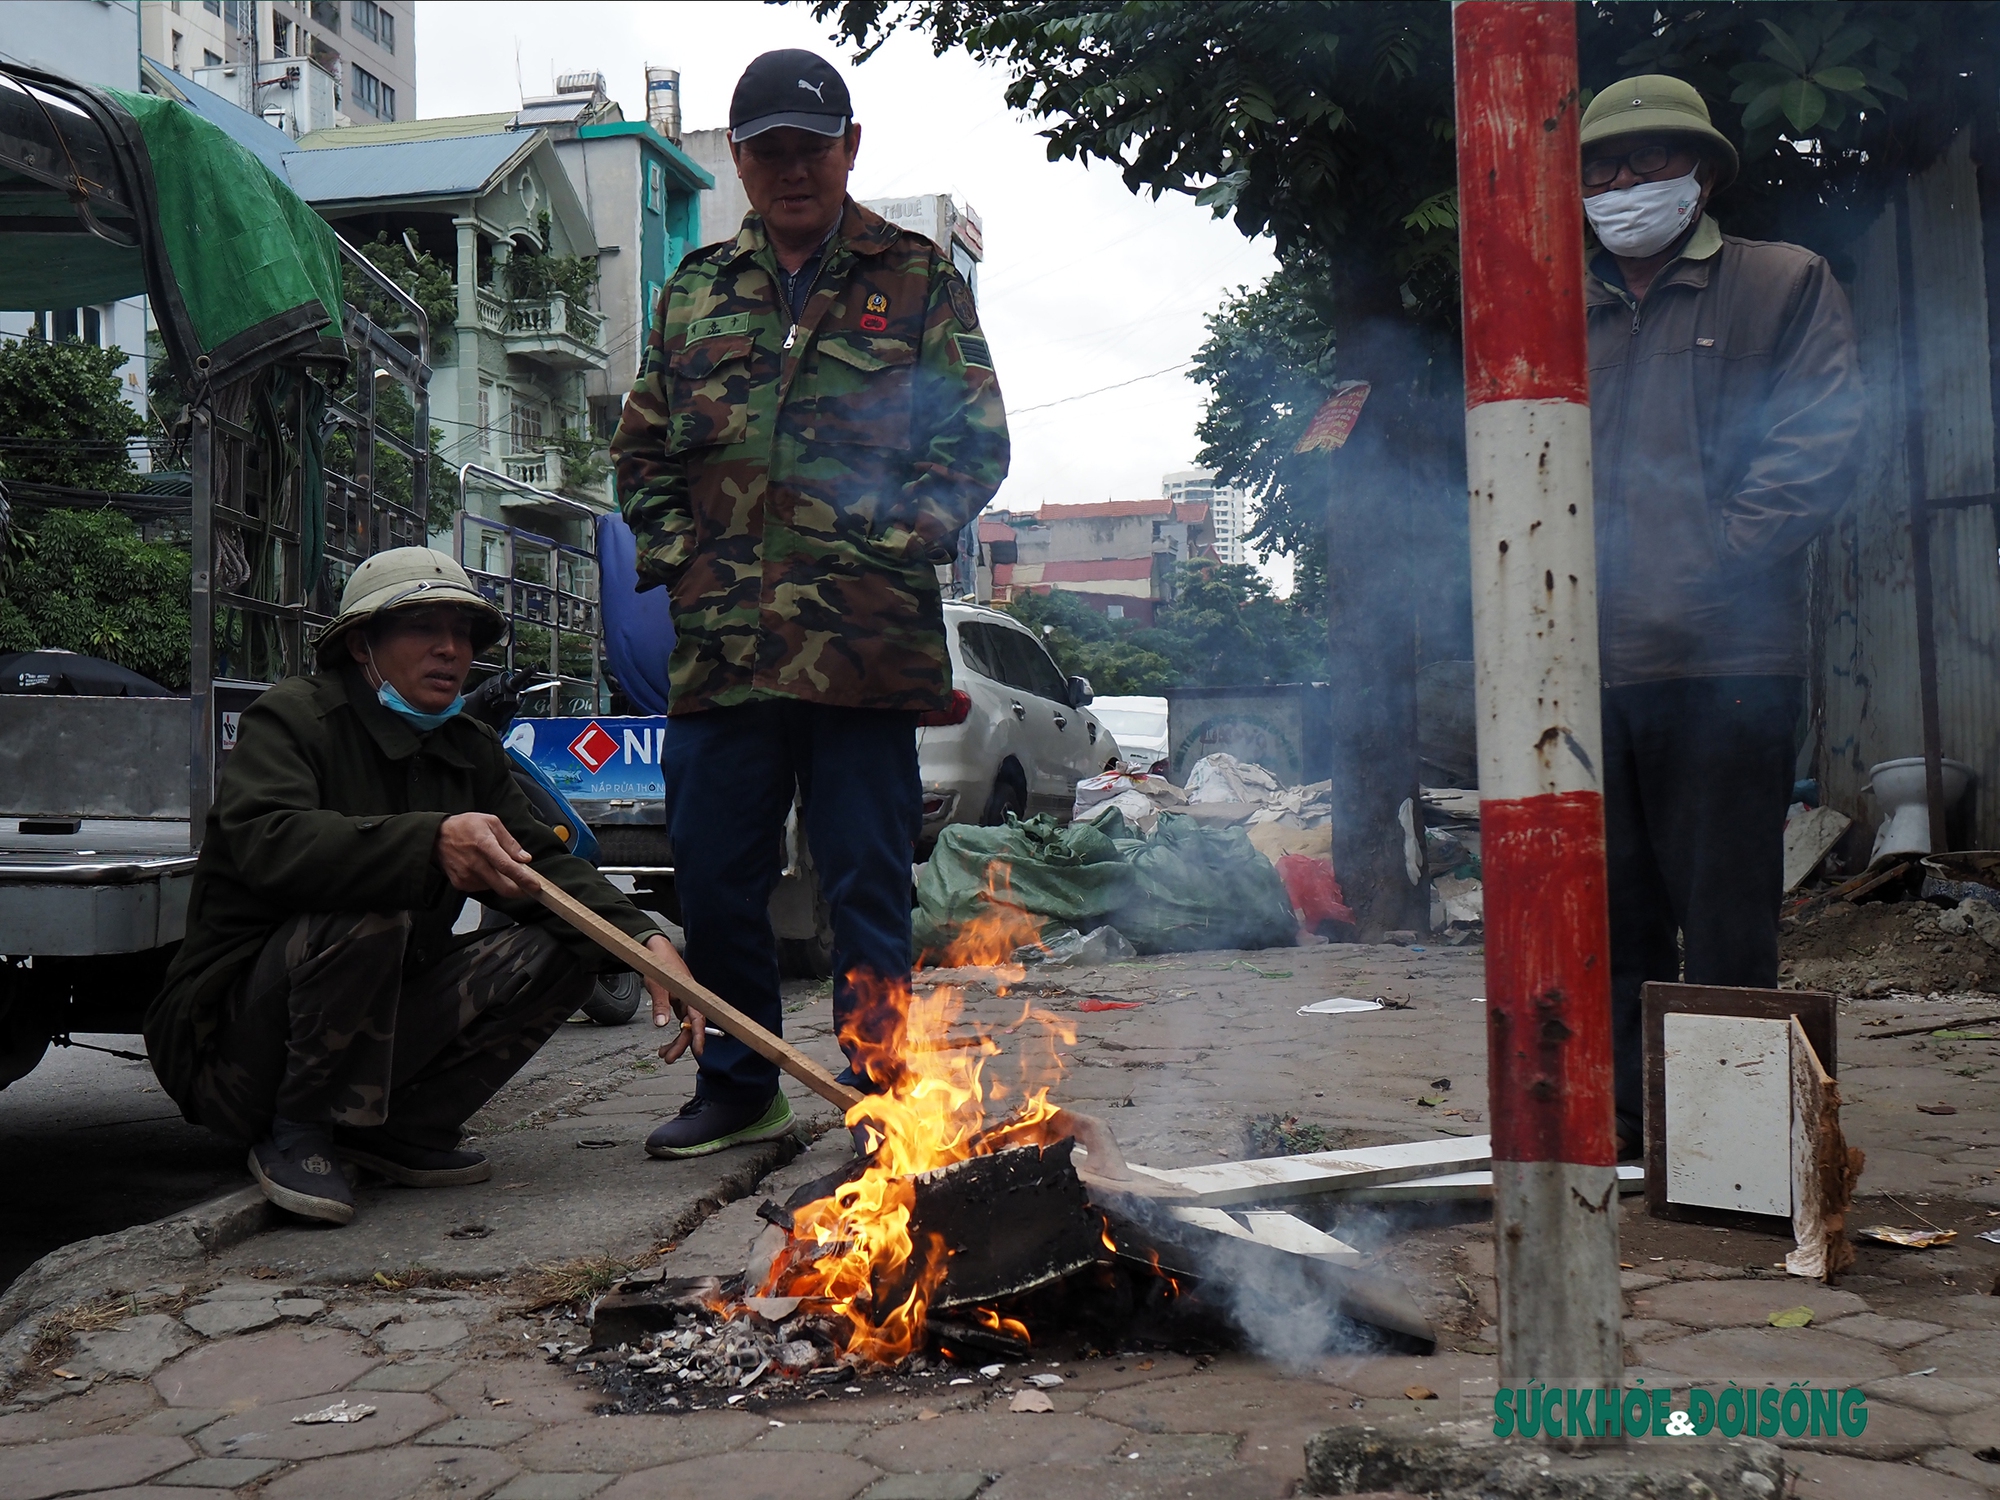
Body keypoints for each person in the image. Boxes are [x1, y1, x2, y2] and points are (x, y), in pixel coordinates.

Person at [611, 48, 1009, 1157]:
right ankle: (742, 1084)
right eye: (769, 151)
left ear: (850, 149)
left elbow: (972, 441)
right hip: (724, 648)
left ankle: (879, 1086)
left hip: (863, 649)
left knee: (865, 880)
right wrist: (681, 559)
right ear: (738, 160)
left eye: (812, 148)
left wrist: (891, 543)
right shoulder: (695, 290)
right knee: (717, 874)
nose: (792, 170)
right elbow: (640, 449)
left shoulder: (918, 277)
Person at [144, 548, 693, 1224]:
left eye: (462, 634)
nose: (449, 650)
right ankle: (299, 1129)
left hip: (376, 1017)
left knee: (569, 944)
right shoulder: (291, 721)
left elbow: (538, 868)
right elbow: (268, 845)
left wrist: (644, 939)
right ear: (361, 645)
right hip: (235, 1049)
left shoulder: (468, 748)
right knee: (374, 908)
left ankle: (400, 1130)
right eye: (422, 629)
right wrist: (428, 840)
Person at [1579, 76, 1864, 1152]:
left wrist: (1702, 570)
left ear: (1697, 174)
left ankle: (1733, 1142)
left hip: (1725, 660)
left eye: (1646, 164)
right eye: (1599, 170)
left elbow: (1815, 447)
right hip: (1588, 665)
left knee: (1726, 911)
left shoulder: (1780, 284)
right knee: (1612, 915)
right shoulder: (1564, 311)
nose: (1619, 187)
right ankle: (1628, 1126)